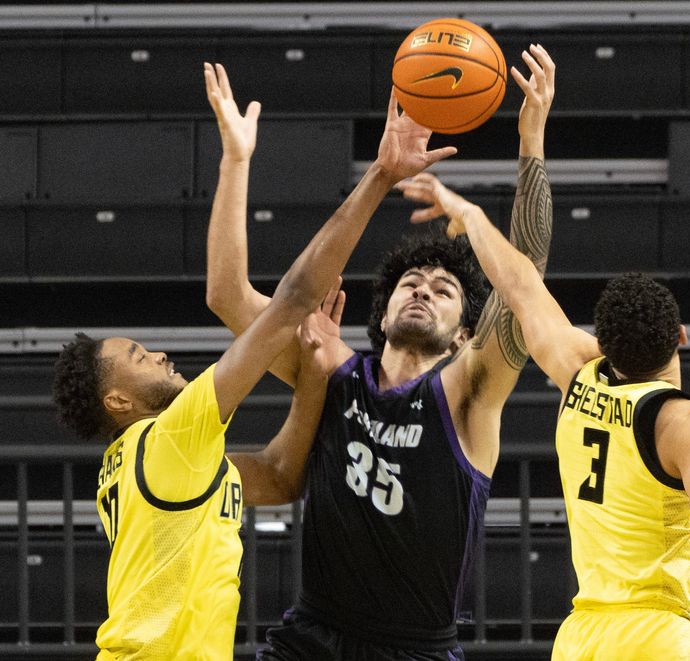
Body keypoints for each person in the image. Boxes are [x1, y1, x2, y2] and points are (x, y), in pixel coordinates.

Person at [50, 59, 450, 661]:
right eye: (137, 356)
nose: (157, 353)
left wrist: (313, 374)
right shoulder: (171, 438)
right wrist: (379, 176)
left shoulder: (150, 466)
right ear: (117, 400)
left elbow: (282, 476)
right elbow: (292, 299)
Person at [204, 46, 556, 659]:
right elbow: (228, 296)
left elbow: (525, 284)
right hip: (311, 640)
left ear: (465, 335)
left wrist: (531, 142)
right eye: (410, 284)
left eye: (444, 291)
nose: (423, 290)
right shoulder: (328, 368)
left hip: (415, 649)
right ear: (384, 313)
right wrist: (236, 160)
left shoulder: (468, 394)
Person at [398, 169, 690, 659]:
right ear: (680, 336)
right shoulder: (687, 423)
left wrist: (470, 213)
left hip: (581, 639)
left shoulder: (577, 373)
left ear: (603, 345)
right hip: (661, 637)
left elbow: (520, 285)